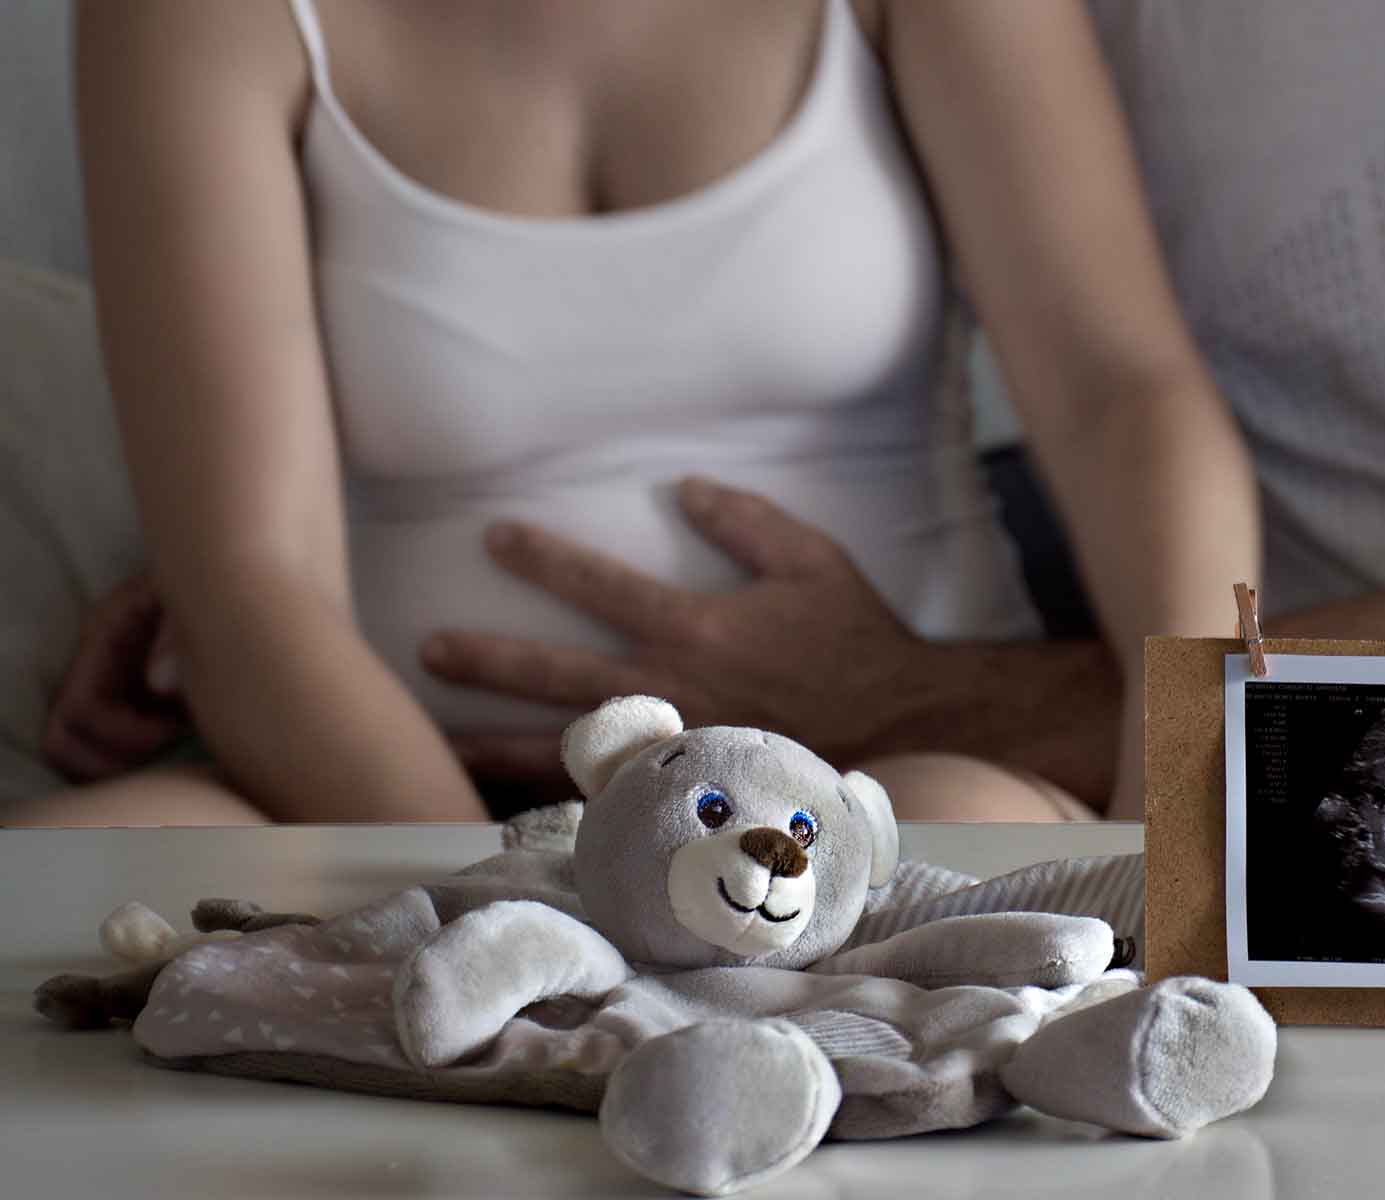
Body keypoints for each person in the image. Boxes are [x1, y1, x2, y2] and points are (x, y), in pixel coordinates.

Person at [133, 0, 1385, 832]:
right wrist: (232, 594)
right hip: (1208, 736)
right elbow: (1122, 394)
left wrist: (915, 695)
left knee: (953, 850)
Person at [11, 0, 1257, 826]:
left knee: (952, 817)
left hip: (884, 791)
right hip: (401, 807)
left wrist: (1186, 812)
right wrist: (494, 911)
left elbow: (1122, 398)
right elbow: (247, 583)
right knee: (106, 852)